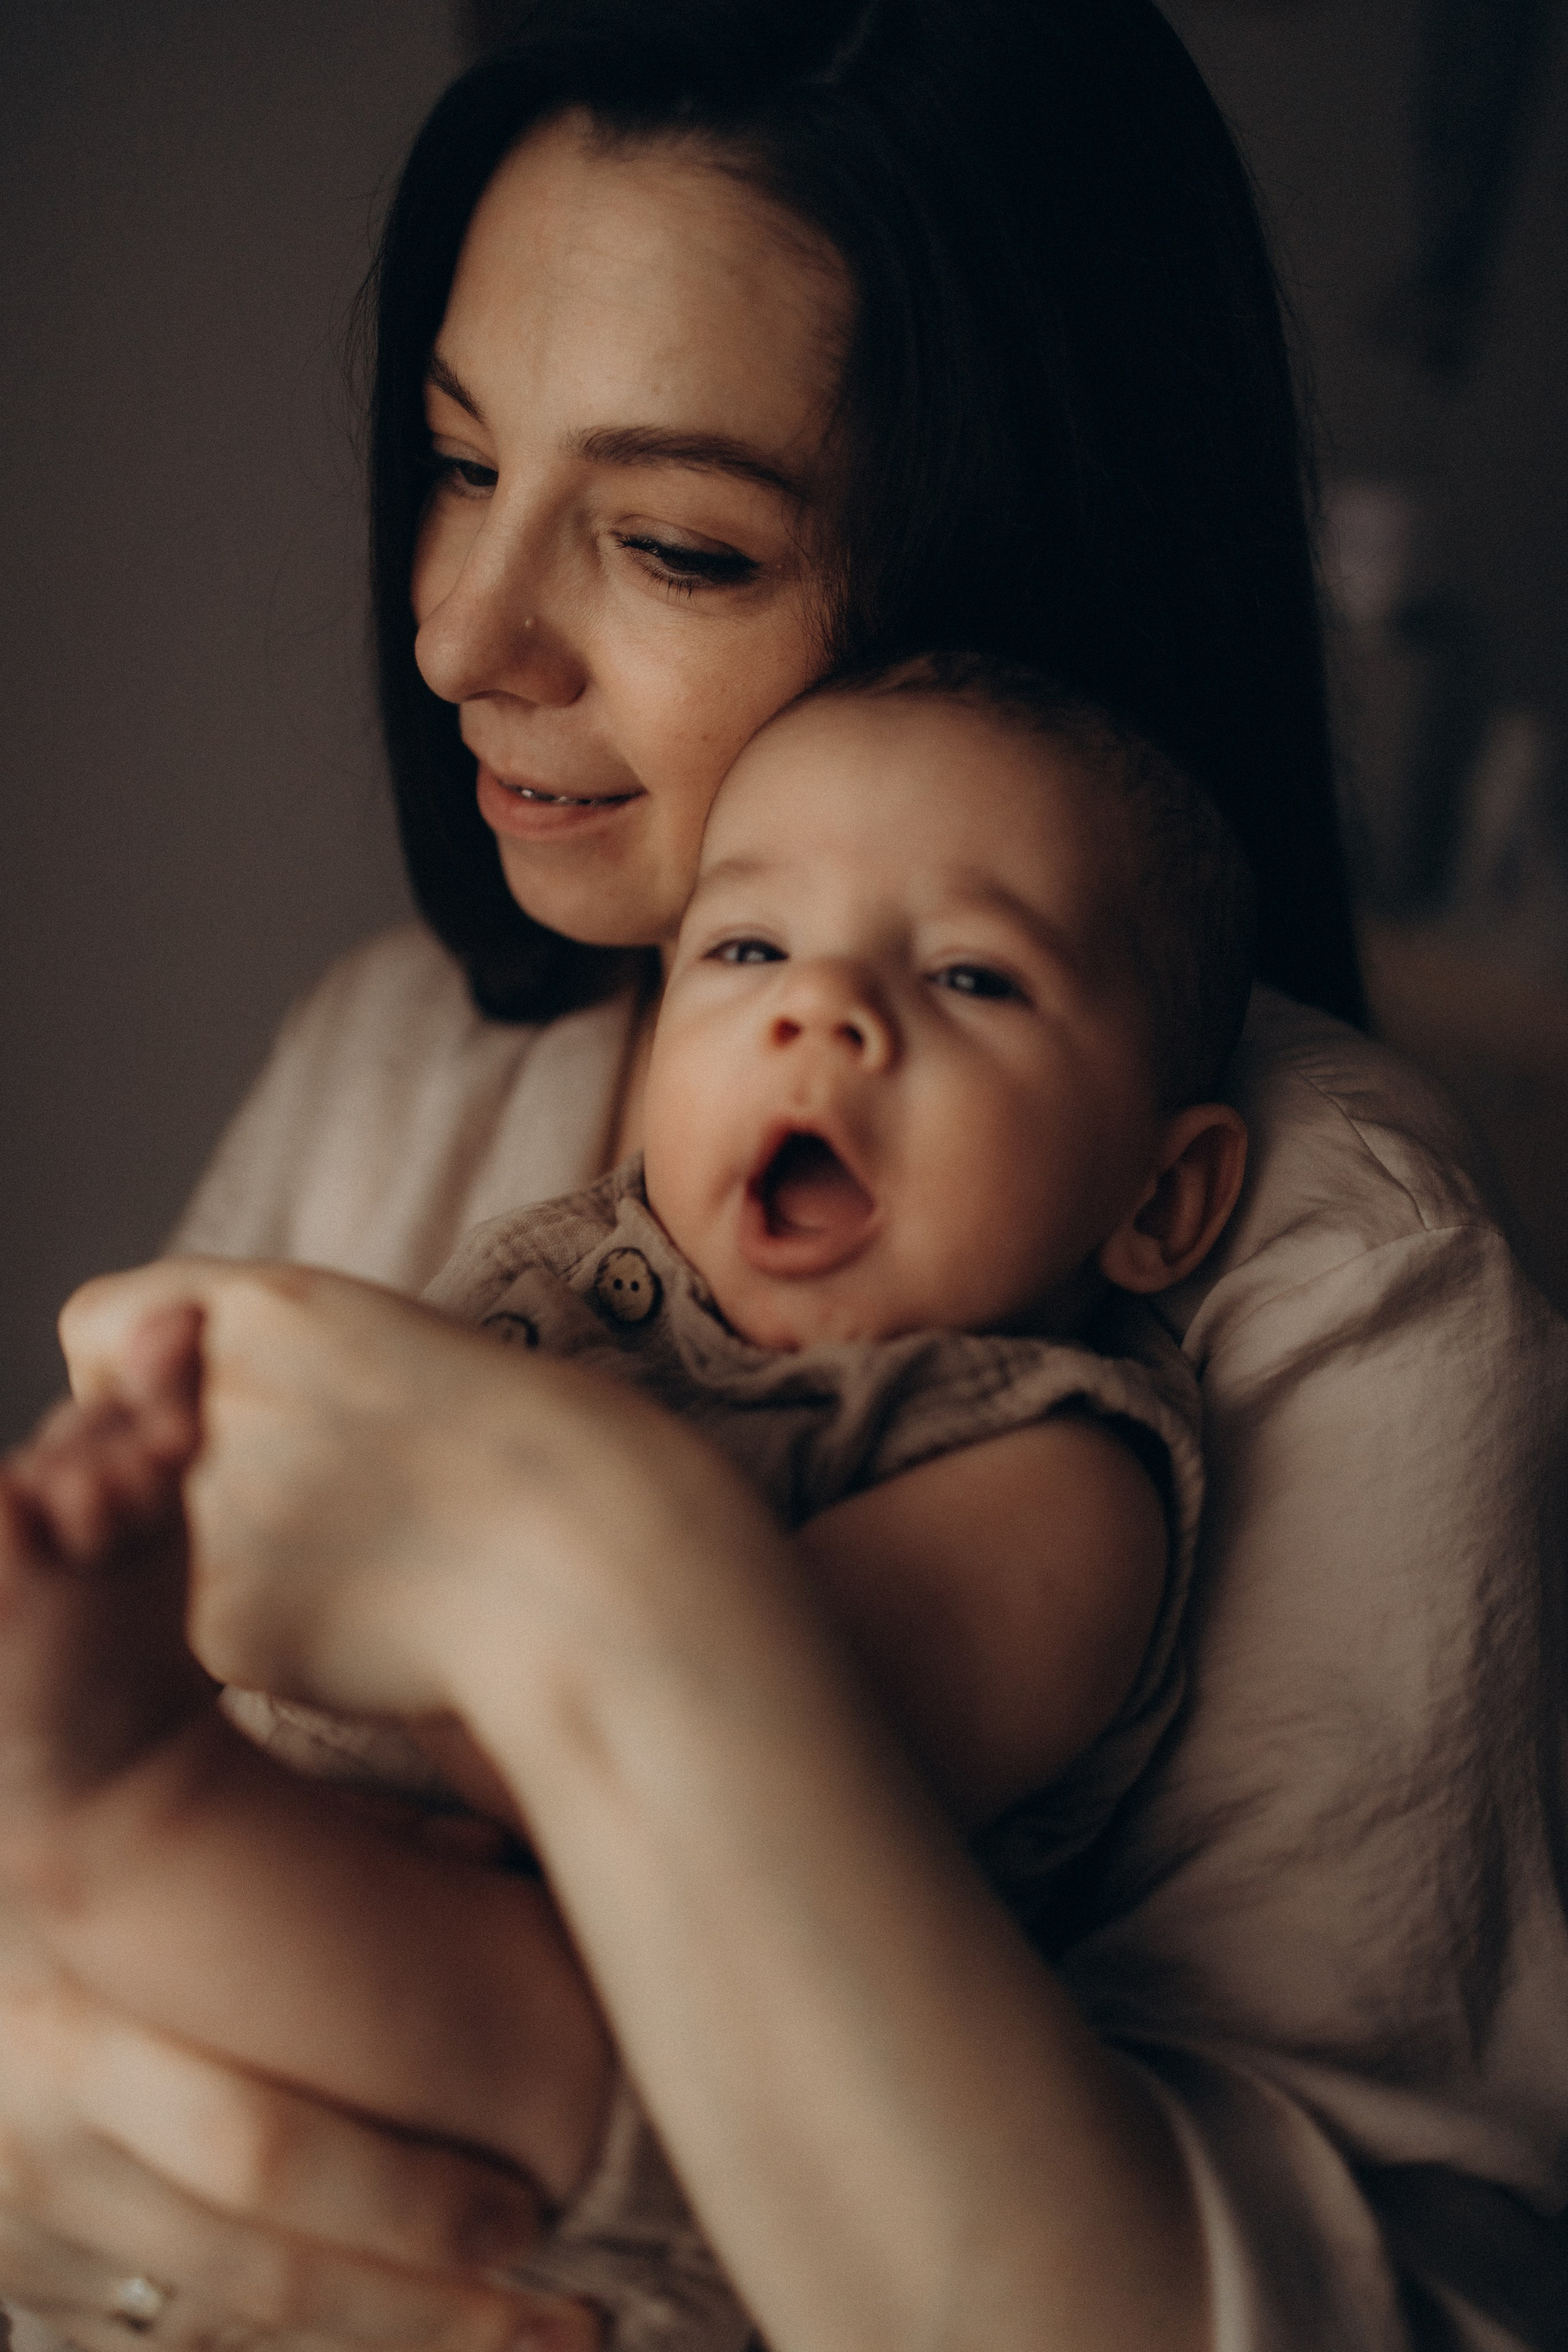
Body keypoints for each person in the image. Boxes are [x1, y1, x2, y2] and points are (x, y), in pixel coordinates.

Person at [4, 6, 1566, 2350]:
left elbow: (1396, 2304)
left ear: (997, 564)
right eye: (454, 462)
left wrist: (559, 1556)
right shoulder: (399, 1052)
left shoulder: (1318, 1257)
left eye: (672, 542)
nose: (455, 631)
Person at [0, 660, 1253, 2351]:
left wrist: (341, 1555)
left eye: (971, 975)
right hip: (261, 2040)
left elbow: (681, 1751)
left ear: (1162, 1200)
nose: (823, 1012)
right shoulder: (586, 1286)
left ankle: (111, 1782)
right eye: (747, 952)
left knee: (540, 2014)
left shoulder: (1054, 1472)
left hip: (654, 2119)